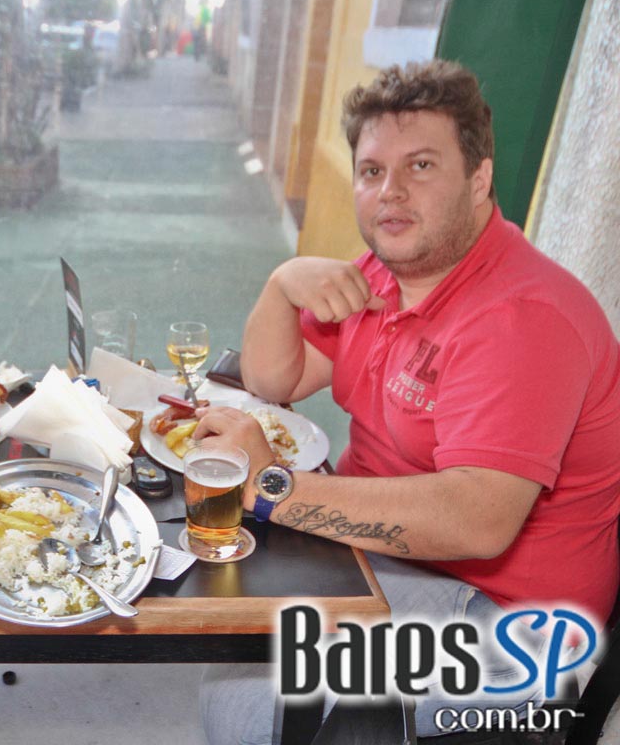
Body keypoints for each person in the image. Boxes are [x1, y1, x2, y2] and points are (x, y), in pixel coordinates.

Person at [195, 60, 620, 741]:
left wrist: (272, 487)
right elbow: (277, 381)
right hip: (394, 560)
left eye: (421, 166)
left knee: (248, 693)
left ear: (479, 179)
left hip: (509, 618)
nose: (390, 192)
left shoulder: (523, 318)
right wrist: (281, 285)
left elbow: (477, 521)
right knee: (240, 620)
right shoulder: (386, 274)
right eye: (372, 171)